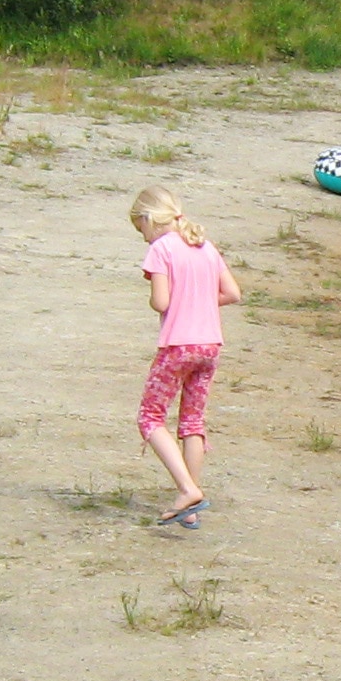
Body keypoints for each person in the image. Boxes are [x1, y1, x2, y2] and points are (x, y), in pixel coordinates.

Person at [130, 186, 240, 528]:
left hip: (178, 345)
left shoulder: (161, 249)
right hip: (210, 346)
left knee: (150, 418)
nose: (143, 237)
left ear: (149, 220)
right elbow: (232, 293)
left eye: (140, 229)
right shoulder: (205, 246)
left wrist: (164, 300)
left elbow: (161, 302)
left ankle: (186, 489)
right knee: (192, 421)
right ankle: (191, 503)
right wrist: (201, 302)